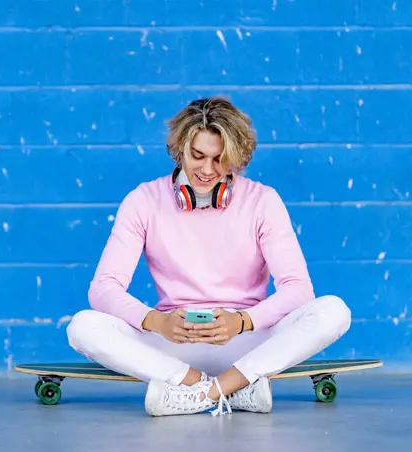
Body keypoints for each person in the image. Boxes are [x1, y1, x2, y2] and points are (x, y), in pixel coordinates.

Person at [65, 96, 352, 417]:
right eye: (197, 156)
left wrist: (242, 321)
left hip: (247, 338)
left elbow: (298, 288)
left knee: (333, 311)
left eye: (219, 159)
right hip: (173, 341)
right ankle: (214, 386)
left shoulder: (263, 201)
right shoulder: (142, 201)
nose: (206, 170)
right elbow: (104, 287)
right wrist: (157, 322)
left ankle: (212, 390)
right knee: (82, 326)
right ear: (179, 149)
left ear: (237, 157)